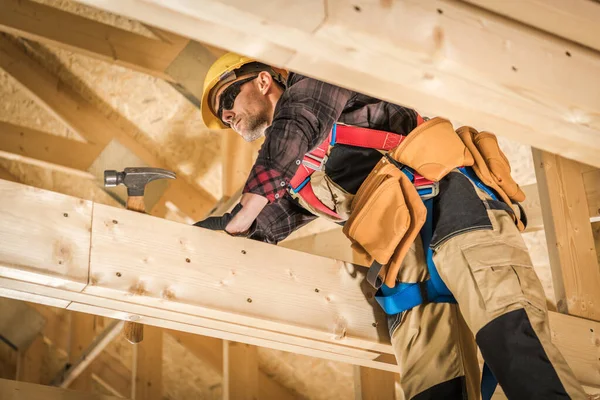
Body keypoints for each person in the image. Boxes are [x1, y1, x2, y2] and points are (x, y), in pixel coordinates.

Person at [195, 52, 585, 399]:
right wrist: (201, 237)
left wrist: (243, 209)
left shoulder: (318, 74)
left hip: (457, 209)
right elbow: (259, 226)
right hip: (401, 257)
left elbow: (297, 124)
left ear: (263, 80)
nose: (226, 116)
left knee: (514, 343)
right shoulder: (295, 174)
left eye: (226, 100)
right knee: (432, 383)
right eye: (221, 116)